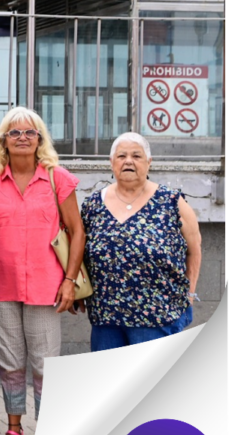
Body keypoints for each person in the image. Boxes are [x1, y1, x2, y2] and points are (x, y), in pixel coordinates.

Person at [0, 107, 85, 435]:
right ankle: (14, 431)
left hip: (46, 286)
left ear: (40, 139)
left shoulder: (56, 178)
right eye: (15, 132)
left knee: (45, 364)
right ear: (3, 140)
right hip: (1, 285)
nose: (22, 138)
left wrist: (70, 280)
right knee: (10, 362)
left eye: (29, 132)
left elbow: (76, 231)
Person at [81, 132, 202, 350]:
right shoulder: (93, 205)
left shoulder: (171, 202)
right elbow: (80, 250)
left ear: (149, 162)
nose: (128, 161)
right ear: (111, 162)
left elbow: (194, 250)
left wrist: (190, 295)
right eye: (122, 156)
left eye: (136, 156)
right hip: (106, 318)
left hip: (157, 318)